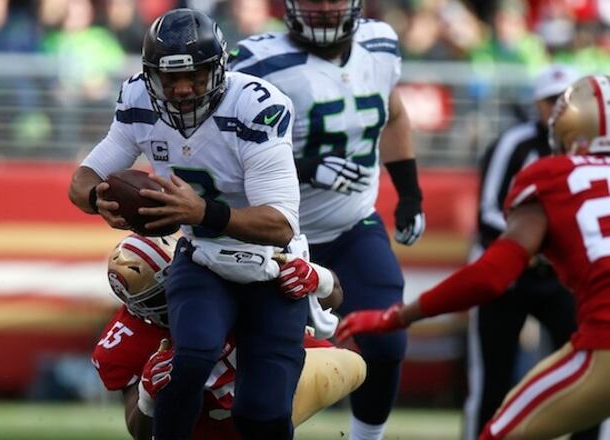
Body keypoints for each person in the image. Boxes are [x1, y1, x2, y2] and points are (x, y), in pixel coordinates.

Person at [68, 9, 308, 439]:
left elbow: (281, 225)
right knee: (191, 358)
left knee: (263, 414)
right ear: (149, 77)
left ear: (218, 69)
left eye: (195, 75)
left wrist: (203, 213)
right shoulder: (139, 100)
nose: (181, 89)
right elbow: (82, 179)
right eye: (168, 78)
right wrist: (95, 199)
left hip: (271, 266)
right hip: (203, 258)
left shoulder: (256, 106)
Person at [336, 75, 610, 440]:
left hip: (603, 344)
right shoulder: (521, 149)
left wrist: (399, 316)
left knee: (496, 433)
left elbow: (491, 275)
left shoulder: (553, 174)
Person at [228, 1, 425, 438]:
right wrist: (304, 165)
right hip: (270, 239)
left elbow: (392, 114)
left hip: (351, 226)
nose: (323, 10)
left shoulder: (380, 43)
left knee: (387, 339)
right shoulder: (257, 60)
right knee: (265, 365)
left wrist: (409, 193)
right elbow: (221, 141)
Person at [92, 234, 367, 440]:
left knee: (352, 365)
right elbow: (138, 430)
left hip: (275, 379)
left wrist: (320, 277)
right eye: (167, 290)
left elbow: (335, 296)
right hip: (207, 423)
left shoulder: (228, 269)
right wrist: (147, 396)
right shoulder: (123, 342)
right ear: (142, 304)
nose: (181, 290)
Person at [464, 64, 602, 440]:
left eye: (565, 100)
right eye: (551, 101)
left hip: (559, 278)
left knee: (589, 372)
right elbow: (488, 211)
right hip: (506, 274)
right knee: (492, 378)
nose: (559, 108)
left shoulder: (593, 151)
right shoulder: (515, 143)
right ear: (537, 105)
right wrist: (532, 247)